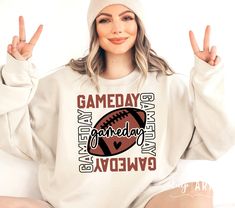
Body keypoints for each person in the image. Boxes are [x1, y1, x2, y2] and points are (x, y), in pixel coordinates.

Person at [0, 0, 234, 207]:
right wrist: (18, 70)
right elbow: (13, 137)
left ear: (138, 24)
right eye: (104, 20)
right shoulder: (61, 84)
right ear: (94, 28)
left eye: (126, 17)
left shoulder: (168, 85)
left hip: (146, 200)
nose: (117, 28)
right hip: (69, 202)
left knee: (198, 195)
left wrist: (207, 77)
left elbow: (214, 143)